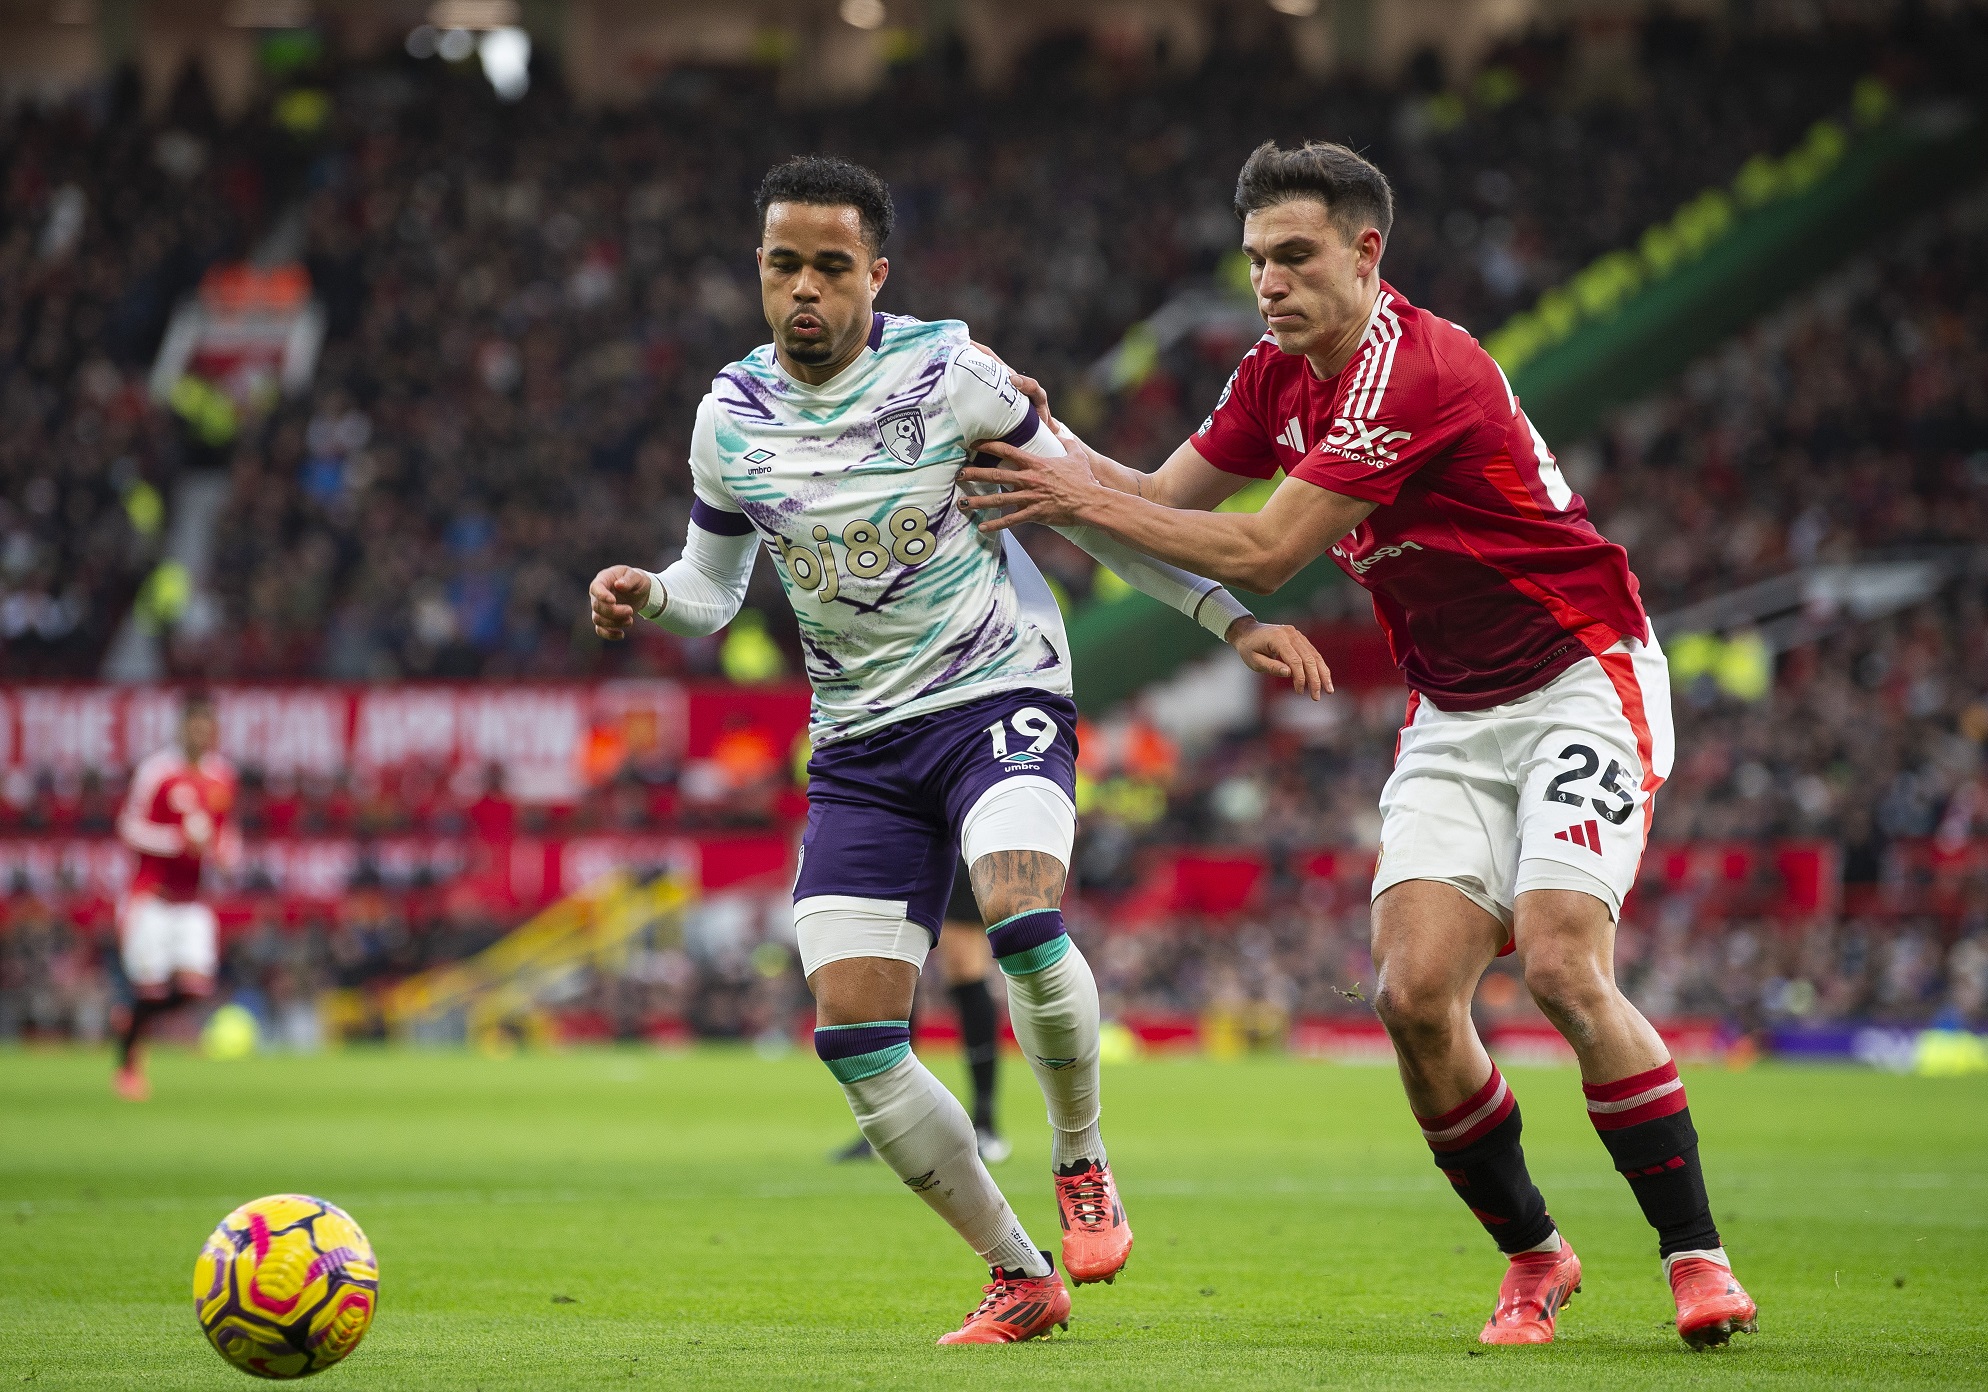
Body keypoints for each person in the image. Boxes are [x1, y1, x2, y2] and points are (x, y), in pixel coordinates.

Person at [960, 140, 1758, 1351]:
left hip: (1576, 679)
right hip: (1450, 709)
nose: (1267, 285)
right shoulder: (1272, 376)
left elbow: (1265, 551)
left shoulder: (1413, 371)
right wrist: (1041, 436)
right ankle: (1533, 1258)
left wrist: (1073, 497)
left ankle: (1695, 1258)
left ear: (1365, 252)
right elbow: (1167, 509)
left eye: (1292, 258)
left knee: (1556, 964)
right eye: (1253, 264)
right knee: (1409, 996)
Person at [590, 155, 1327, 1345]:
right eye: (785, 266)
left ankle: (1080, 1157)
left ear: (875, 274)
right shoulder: (728, 419)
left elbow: (1085, 502)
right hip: (858, 746)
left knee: (1023, 919)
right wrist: (645, 596)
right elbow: (712, 591)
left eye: (832, 267)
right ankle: (1017, 1273)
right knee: (854, 1037)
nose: (806, 292)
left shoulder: (950, 374)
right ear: (760, 273)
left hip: (995, 690)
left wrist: (1226, 617)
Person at [831, 860, 1010, 1165]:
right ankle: (891, 1123)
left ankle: (984, 1121)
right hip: (901, 836)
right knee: (895, 968)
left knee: (965, 968)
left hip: (954, 840)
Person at [113, 690, 239, 1101]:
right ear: (182, 728)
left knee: (194, 989)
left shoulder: (222, 776)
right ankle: (129, 1068)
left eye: (208, 728)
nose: (202, 735)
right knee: (150, 987)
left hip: (193, 900)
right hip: (151, 895)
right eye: (195, 726)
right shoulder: (157, 772)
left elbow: (225, 831)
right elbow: (130, 827)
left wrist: (227, 855)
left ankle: (131, 1020)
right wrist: (176, 840)